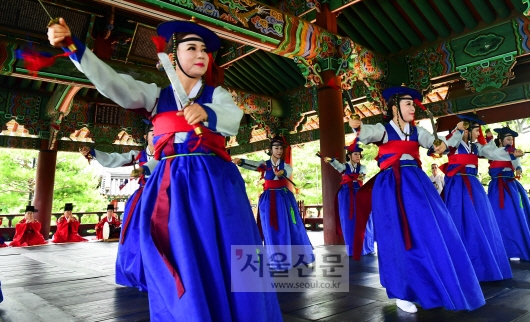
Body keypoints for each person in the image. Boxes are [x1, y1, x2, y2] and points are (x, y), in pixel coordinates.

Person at [48, 18, 282, 321]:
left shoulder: (217, 94)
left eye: (205, 50)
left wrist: (207, 112)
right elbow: (114, 83)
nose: (200, 54)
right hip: (171, 185)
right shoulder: (157, 96)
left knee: (231, 250)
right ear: (175, 57)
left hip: (216, 184)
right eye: (191, 48)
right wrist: (74, 49)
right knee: (179, 254)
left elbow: (233, 117)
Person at [349, 85, 485, 313]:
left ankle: (435, 283)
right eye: (408, 104)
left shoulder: (417, 131)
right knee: (396, 235)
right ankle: (402, 291)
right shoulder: (383, 130)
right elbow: (366, 133)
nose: (413, 108)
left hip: (417, 183)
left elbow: (436, 144)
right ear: (395, 108)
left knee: (431, 230)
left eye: (414, 104)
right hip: (391, 185)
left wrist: (443, 143)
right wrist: (357, 126)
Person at [82, 122, 154, 291]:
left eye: (160, 131)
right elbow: (115, 158)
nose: (156, 135)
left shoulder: (169, 154)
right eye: (152, 132)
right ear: (145, 137)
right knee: (135, 235)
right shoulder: (138, 155)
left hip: (167, 196)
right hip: (143, 199)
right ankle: (137, 273)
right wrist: (93, 153)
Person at [441, 113, 512, 281]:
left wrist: (511, 153)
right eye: (475, 130)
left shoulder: (475, 147)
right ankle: (460, 264)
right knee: (459, 219)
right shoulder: (454, 142)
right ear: (466, 129)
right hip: (458, 184)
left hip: (473, 184)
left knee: (481, 220)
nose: (477, 133)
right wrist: (458, 130)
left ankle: (483, 262)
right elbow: (445, 144)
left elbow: (492, 153)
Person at [234, 136, 314, 269]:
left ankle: (297, 257)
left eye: (281, 148)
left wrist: (281, 172)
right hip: (268, 200)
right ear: (270, 150)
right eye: (276, 148)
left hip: (284, 199)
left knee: (289, 227)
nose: (279, 151)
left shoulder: (287, 167)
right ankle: (275, 259)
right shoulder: (264, 165)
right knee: (270, 228)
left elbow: (285, 172)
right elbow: (252, 164)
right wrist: (240, 161)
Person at [488, 127, 530, 261]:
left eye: (512, 139)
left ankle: (520, 248)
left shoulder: (512, 152)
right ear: (500, 140)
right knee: (495, 217)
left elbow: (516, 163)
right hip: (496, 188)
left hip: (509, 187)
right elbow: (488, 150)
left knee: (513, 215)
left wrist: (518, 169)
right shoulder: (494, 152)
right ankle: (500, 251)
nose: (510, 141)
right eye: (508, 139)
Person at [324, 140, 374, 256]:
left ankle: (367, 248)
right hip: (346, 195)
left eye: (359, 154)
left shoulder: (363, 167)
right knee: (348, 221)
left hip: (360, 194)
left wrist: (356, 176)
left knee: (364, 220)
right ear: (349, 155)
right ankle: (352, 248)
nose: (358, 156)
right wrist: (331, 160)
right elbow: (337, 165)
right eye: (355, 154)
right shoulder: (344, 167)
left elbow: (362, 175)